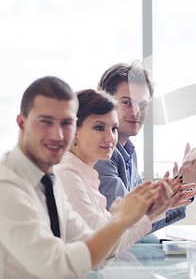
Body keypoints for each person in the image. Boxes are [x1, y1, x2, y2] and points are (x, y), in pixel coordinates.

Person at [0, 76, 158, 278]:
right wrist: (122, 220)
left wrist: (138, 216)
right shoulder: (7, 186)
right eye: (46, 122)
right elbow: (57, 266)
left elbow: (94, 248)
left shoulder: (49, 180)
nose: (58, 135)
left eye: (66, 123)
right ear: (22, 123)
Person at [55, 89, 196, 255]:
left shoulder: (86, 174)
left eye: (114, 128)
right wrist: (148, 212)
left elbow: (112, 238)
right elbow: (103, 247)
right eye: (99, 127)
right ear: (72, 130)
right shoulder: (67, 175)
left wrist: (159, 208)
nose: (110, 138)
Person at [93, 61, 196, 231]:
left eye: (143, 105)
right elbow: (128, 223)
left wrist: (184, 184)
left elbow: (145, 216)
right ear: (105, 102)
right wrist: (183, 184)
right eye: (127, 103)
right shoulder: (100, 153)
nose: (136, 112)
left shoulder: (129, 152)